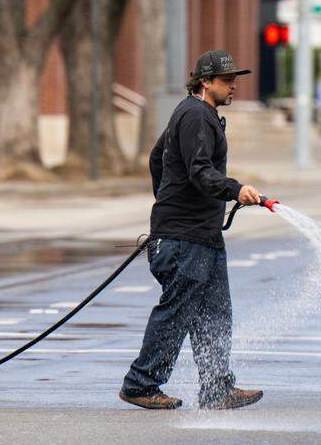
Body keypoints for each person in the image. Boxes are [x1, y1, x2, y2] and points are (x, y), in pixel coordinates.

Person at [119, 50, 265, 411]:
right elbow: (200, 171)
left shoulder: (196, 114)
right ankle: (141, 383)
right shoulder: (196, 115)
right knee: (178, 312)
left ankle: (217, 388)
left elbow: (157, 157)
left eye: (234, 79)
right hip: (184, 239)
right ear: (205, 82)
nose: (233, 85)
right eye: (226, 80)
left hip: (201, 235)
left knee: (215, 314)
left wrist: (169, 197)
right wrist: (235, 190)